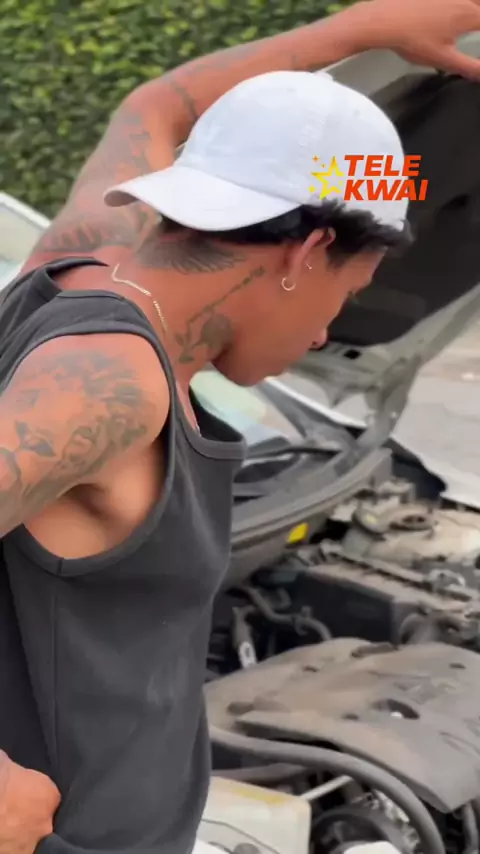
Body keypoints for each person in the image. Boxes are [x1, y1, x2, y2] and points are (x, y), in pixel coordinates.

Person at [2, 2, 480, 852]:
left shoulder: (83, 253)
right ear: (307, 252)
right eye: (349, 291)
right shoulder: (112, 384)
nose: (327, 334)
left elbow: (157, 107)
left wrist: (359, 32)